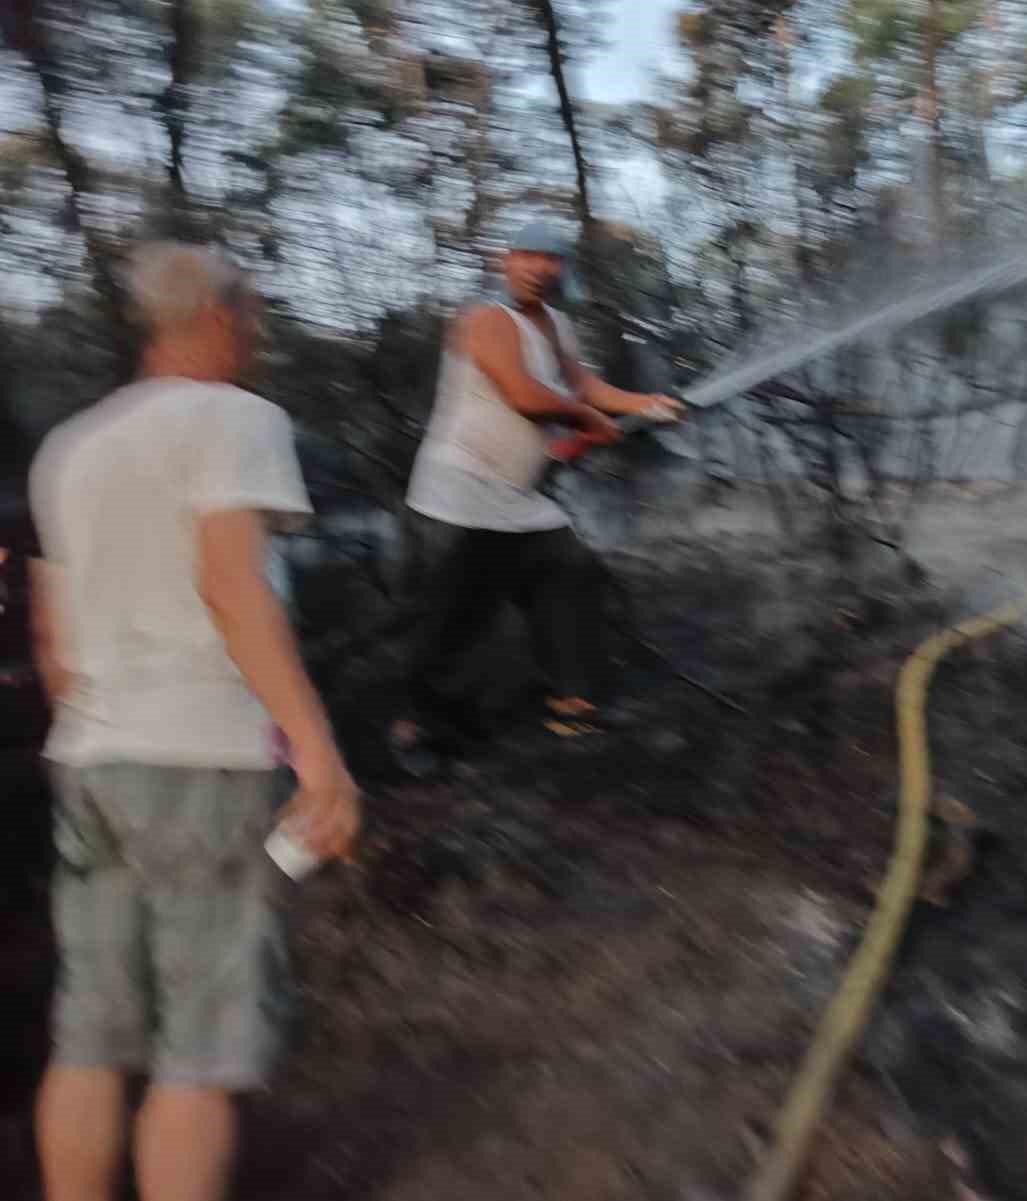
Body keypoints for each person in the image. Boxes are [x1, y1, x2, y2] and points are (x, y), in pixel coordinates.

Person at [28, 242, 360, 1201]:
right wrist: (318, 754)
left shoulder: (73, 445)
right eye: (251, 314)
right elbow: (232, 587)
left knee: (88, 1034)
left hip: (92, 760)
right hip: (203, 762)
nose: (256, 334)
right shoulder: (236, 419)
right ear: (219, 317)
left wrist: (100, 741)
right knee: (197, 1054)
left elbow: (56, 643)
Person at [390, 221, 680, 760]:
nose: (539, 269)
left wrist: (647, 404)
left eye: (551, 260)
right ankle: (415, 733)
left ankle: (572, 706)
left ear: (561, 269)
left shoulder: (555, 325)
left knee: (572, 574)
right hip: (456, 494)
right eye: (527, 256)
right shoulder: (485, 319)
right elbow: (525, 394)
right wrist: (590, 422)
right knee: (453, 620)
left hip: (516, 497)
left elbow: (583, 386)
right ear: (505, 261)